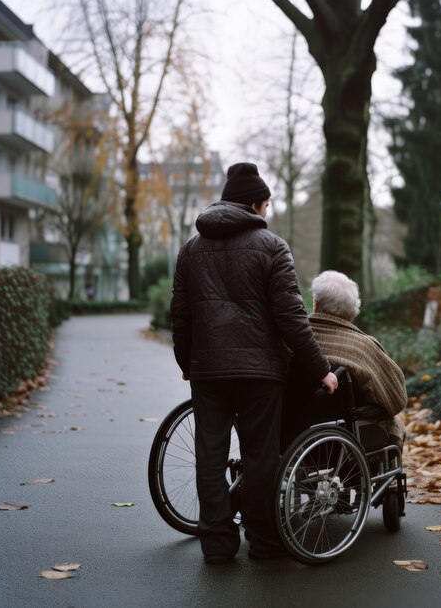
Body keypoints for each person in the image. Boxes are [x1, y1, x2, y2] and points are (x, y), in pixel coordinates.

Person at [170, 162, 338, 566]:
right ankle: (264, 543)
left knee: (209, 456)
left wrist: (187, 363)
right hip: (261, 374)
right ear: (254, 204)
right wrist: (321, 368)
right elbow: (291, 318)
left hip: (208, 371)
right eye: (265, 205)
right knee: (261, 457)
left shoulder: (191, 250)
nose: (266, 212)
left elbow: (180, 315)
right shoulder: (273, 247)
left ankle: (217, 545)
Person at [282, 270, 407, 450]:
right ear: (352, 312)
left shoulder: (290, 340)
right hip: (347, 441)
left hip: (289, 434)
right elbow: (396, 400)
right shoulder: (363, 347)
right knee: (392, 421)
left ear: (316, 304)